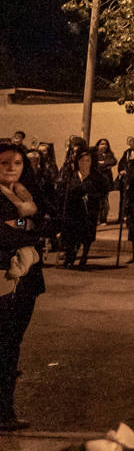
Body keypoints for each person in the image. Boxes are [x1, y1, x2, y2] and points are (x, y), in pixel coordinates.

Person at [0, 142, 44, 431]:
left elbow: (46, 224)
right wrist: (25, 223)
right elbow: (3, 234)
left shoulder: (26, 193)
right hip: (4, 278)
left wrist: (21, 224)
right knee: (3, 345)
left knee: (13, 344)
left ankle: (6, 410)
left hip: (28, 281)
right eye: (5, 163)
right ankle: (3, 413)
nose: (12, 167)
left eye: (17, 162)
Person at [59, 147, 106, 268]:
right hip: (73, 210)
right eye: (82, 160)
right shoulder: (71, 175)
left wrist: (91, 196)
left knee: (86, 236)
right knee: (71, 235)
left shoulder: (97, 177)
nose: (84, 163)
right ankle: (70, 257)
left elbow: (103, 192)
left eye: (87, 160)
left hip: (89, 210)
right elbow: (64, 191)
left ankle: (84, 256)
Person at [94, 138, 117, 224]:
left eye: (105, 144)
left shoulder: (109, 154)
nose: (104, 146)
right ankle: (96, 218)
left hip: (106, 180)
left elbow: (113, 161)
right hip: (96, 180)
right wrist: (105, 165)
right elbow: (95, 165)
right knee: (96, 200)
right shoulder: (95, 154)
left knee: (104, 200)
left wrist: (102, 163)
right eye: (102, 144)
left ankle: (103, 218)